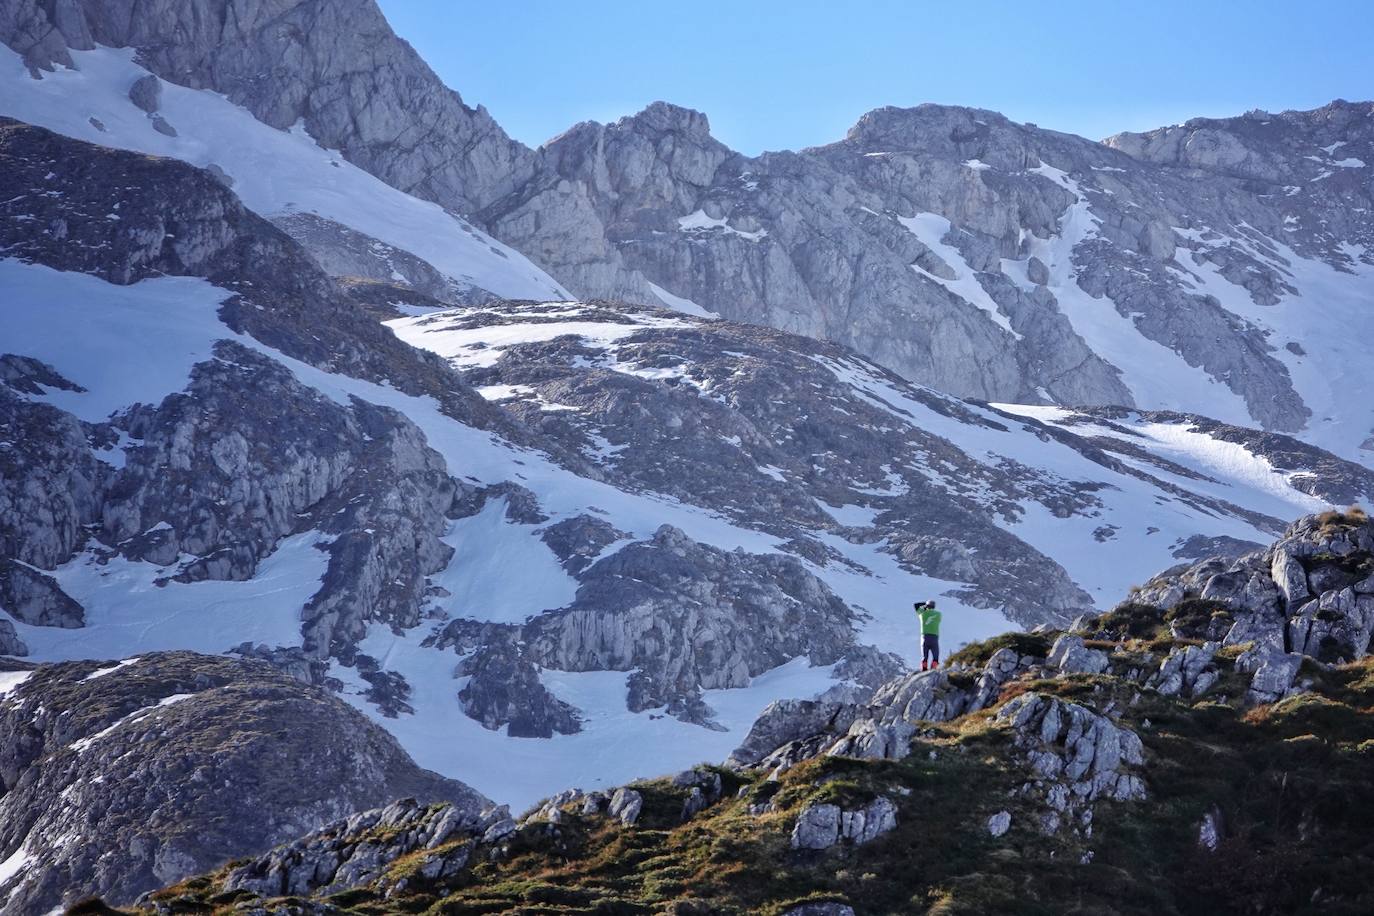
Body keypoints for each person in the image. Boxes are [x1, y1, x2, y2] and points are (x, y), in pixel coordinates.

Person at [915, 600, 942, 671]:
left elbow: (916, 605)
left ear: (927, 606)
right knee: (935, 657)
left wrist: (925, 604)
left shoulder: (922, 614)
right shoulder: (939, 614)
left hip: (924, 637)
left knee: (924, 657)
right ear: (934, 606)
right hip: (934, 637)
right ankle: (933, 670)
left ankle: (924, 670)